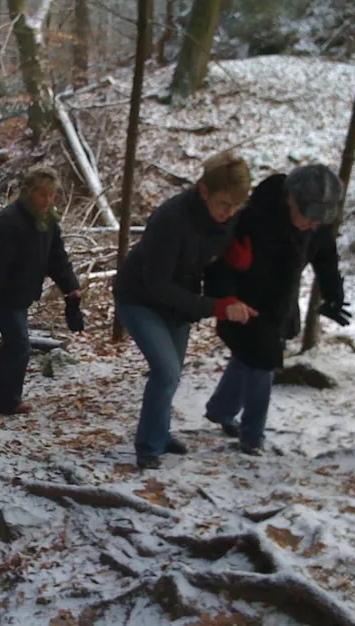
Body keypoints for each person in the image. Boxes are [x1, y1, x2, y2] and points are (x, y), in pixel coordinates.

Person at [113, 151, 256, 470]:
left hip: (180, 302)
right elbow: (158, 285)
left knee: (172, 373)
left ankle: (160, 434)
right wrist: (217, 307)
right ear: (203, 190)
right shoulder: (170, 220)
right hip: (140, 297)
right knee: (166, 370)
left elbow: (216, 258)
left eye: (236, 206)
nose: (230, 213)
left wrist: (235, 261)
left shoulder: (228, 217)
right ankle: (148, 447)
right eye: (224, 205)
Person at [204, 164, 351, 456]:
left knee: (249, 361)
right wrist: (224, 301)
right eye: (307, 218)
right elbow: (220, 266)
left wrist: (334, 297)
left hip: (279, 307)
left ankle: (220, 410)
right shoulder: (253, 219)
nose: (311, 226)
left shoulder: (313, 227)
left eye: (317, 222)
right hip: (244, 307)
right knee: (262, 367)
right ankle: (252, 437)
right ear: (290, 200)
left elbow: (326, 258)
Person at [0, 166, 83, 415]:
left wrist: (71, 287)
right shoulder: (7, 224)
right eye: (42, 194)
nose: (48, 200)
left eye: (52, 195)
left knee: (12, 344)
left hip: (22, 294)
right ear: (28, 193)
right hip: (4, 296)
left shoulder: (47, 221)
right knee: (20, 345)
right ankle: (7, 400)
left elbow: (57, 258)